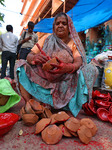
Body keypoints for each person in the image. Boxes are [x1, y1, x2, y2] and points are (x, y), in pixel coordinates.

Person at [15, 12, 98, 117]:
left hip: (65, 80)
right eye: (57, 23)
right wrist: (34, 57)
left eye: (64, 23)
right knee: (20, 64)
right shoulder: (46, 38)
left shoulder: (73, 43)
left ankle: (69, 107)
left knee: (90, 69)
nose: (60, 25)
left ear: (69, 27)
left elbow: (78, 60)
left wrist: (68, 67)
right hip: (43, 78)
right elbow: (29, 55)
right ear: (54, 27)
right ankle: (30, 104)